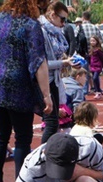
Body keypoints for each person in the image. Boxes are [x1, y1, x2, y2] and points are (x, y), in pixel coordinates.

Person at [0, 0, 51, 182]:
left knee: (1, 135)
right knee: (23, 138)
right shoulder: (30, 25)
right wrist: (46, 94)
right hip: (18, 84)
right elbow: (38, 62)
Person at [40, 1, 71, 143]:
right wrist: (62, 63)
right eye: (62, 19)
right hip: (44, 81)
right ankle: (41, 157)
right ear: (52, 15)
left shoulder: (55, 33)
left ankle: (47, 156)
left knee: (53, 123)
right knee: (51, 123)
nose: (64, 23)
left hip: (53, 80)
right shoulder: (42, 31)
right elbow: (42, 63)